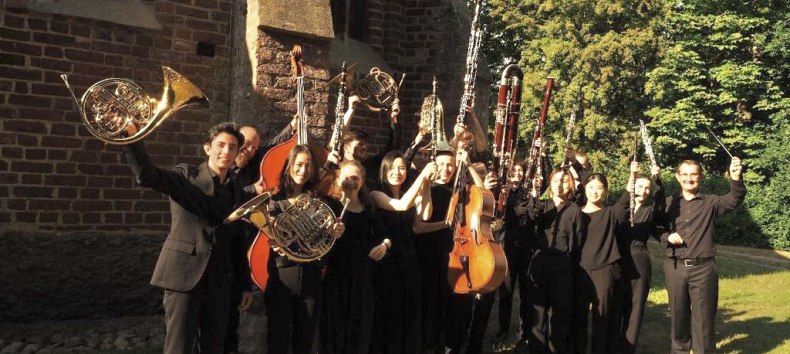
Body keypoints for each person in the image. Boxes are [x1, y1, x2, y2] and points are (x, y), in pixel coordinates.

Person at [122, 122, 251, 354]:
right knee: (178, 348)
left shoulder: (238, 192)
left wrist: (244, 285)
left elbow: (237, 242)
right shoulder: (187, 175)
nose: (226, 151)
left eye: (232, 147)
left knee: (214, 347)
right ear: (207, 148)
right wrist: (132, 138)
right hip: (183, 277)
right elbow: (146, 174)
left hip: (219, 283)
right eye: (220, 145)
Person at [263, 145, 342, 354]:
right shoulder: (274, 202)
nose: (303, 170)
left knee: (305, 341)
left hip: (310, 277)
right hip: (282, 276)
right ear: (289, 167)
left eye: (308, 166)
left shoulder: (320, 202)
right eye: (298, 164)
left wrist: (333, 233)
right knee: (277, 340)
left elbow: (324, 243)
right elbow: (270, 238)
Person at [662, 158, 745, 354]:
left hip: (704, 269)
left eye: (693, 174)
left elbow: (734, 199)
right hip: (675, 268)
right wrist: (666, 235)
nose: (689, 179)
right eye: (685, 174)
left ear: (700, 177)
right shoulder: (668, 204)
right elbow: (655, 227)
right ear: (677, 177)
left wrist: (736, 178)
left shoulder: (712, 203)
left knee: (704, 321)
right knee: (678, 317)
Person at [224, 122, 293, 353]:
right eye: (245, 144)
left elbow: (271, 149)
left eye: (254, 147)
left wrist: (291, 126)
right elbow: (225, 197)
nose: (249, 150)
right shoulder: (224, 170)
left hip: (245, 245)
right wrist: (253, 189)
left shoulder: (254, 162)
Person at [320, 159, 389, 354]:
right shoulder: (329, 207)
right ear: (338, 180)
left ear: (362, 181)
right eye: (346, 178)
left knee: (358, 335)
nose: (350, 182)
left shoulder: (369, 210)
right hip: (335, 280)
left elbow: (385, 236)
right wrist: (330, 234)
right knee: (335, 333)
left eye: (355, 178)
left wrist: (384, 245)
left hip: (362, 281)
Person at [369, 151, 435, 353]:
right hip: (386, 261)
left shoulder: (410, 190)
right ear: (384, 170)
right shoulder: (375, 192)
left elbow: (424, 216)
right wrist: (423, 175)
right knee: (389, 313)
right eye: (393, 168)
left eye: (402, 168)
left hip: (408, 258)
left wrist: (427, 186)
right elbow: (401, 205)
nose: (397, 172)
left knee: (408, 311)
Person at [524, 169, 586, 354]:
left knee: (560, 312)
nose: (560, 185)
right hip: (540, 260)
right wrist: (535, 192)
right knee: (538, 310)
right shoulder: (542, 206)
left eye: (565, 181)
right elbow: (531, 217)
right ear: (550, 183)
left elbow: (578, 242)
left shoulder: (575, 211)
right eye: (556, 180)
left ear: (572, 185)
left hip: (562, 264)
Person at [571, 173, 624, 354]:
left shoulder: (610, 213)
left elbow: (626, 199)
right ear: (584, 188)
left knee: (602, 317)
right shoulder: (575, 212)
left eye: (599, 188)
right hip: (580, 270)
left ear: (605, 192)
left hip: (604, 270)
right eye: (591, 187)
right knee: (578, 316)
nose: (595, 192)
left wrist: (632, 176)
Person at [617, 162, 665, 354]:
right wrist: (632, 174)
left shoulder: (651, 211)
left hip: (639, 259)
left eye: (648, 188)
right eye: (640, 187)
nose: (644, 191)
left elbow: (661, 204)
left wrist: (658, 180)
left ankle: (628, 348)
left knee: (635, 307)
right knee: (617, 303)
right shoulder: (621, 207)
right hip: (618, 260)